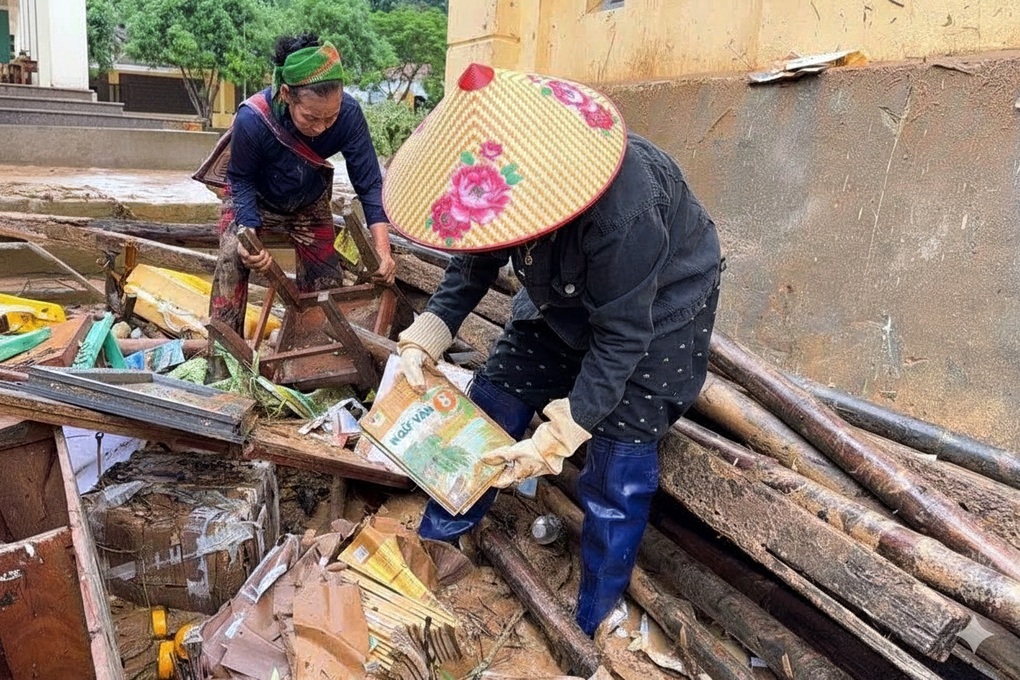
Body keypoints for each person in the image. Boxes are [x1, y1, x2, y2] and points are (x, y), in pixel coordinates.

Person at [382, 63, 722, 636]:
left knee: (619, 451)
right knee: (491, 400)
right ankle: (440, 540)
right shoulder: (495, 186)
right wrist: (427, 337)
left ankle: (594, 614)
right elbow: (474, 259)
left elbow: (620, 338)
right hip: (557, 293)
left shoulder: (624, 211)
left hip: (654, 310)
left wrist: (563, 432)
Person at [199, 34, 396, 337]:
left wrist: (383, 251)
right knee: (231, 259)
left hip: (308, 202)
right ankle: (222, 358)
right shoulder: (252, 119)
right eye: (311, 117)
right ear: (287, 93)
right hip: (254, 200)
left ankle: (311, 355)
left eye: (330, 118)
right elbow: (240, 181)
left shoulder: (350, 115)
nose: (320, 128)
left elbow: (369, 185)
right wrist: (249, 233)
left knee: (325, 281)